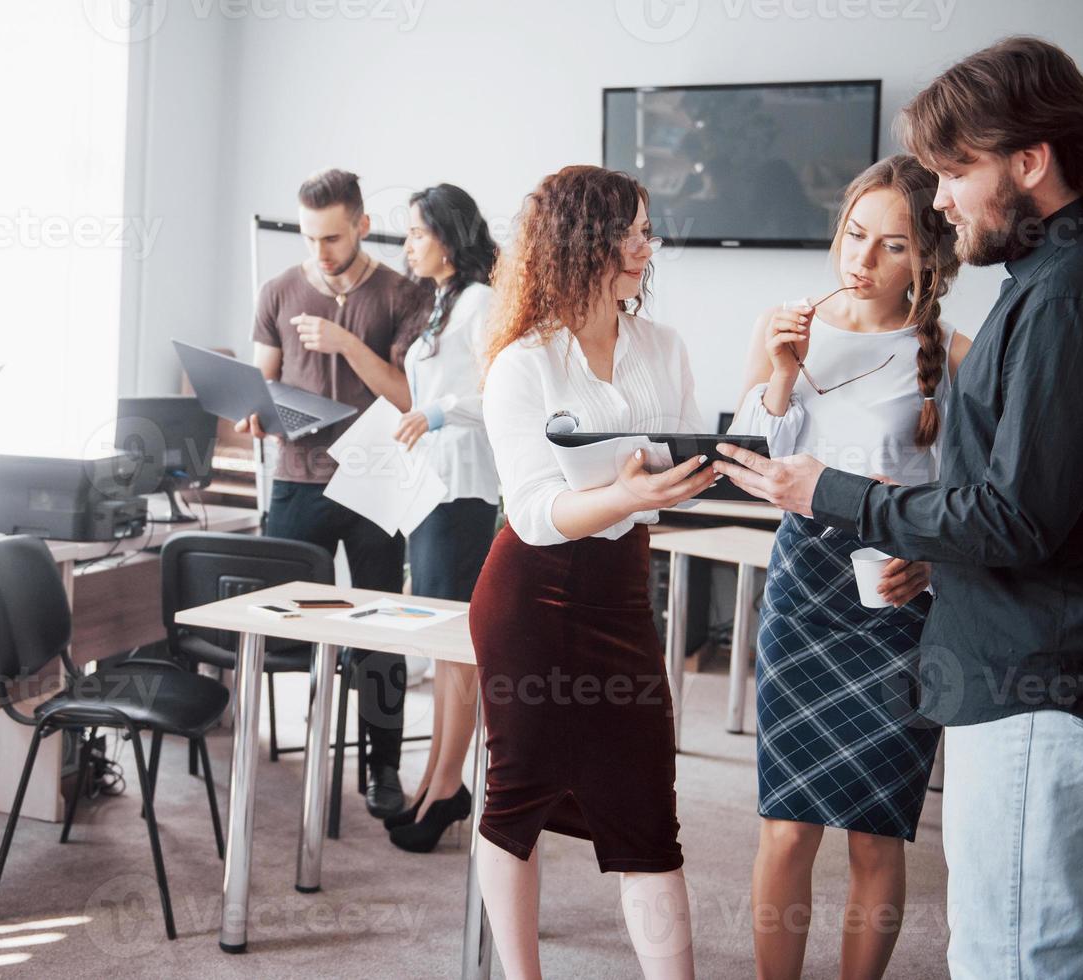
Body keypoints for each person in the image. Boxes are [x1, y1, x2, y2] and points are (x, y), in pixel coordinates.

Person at [715, 37, 1083, 979]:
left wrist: (833, 493)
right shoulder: (1055, 279)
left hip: (1036, 679)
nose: (939, 202)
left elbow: (1017, 518)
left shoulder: (1073, 299)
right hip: (1029, 661)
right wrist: (931, 550)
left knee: (1014, 954)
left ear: (1028, 161)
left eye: (953, 173)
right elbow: (1032, 502)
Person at [472, 165, 717, 980]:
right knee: (518, 796)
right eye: (633, 232)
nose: (648, 247)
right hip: (529, 599)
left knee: (647, 802)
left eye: (648, 230)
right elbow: (536, 513)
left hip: (618, 593)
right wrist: (624, 492)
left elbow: (666, 477)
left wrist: (685, 477)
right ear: (582, 243)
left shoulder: (664, 346)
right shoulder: (522, 364)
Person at [728, 154, 968, 980]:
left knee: (876, 830)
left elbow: (977, 508)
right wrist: (783, 371)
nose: (861, 262)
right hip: (803, 588)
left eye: (891, 247)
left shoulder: (957, 355)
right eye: (854, 236)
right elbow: (750, 465)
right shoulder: (785, 326)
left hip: (898, 599)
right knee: (787, 824)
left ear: (928, 260)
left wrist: (932, 567)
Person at [234, 168, 430, 818]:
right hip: (295, 481)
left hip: (375, 480)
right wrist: (252, 413)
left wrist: (346, 343)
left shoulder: (403, 293)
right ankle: (266, 747)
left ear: (362, 227)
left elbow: (407, 395)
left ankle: (381, 769)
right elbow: (262, 385)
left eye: (332, 238)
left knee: (379, 633)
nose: (318, 252)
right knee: (275, 625)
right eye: (309, 237)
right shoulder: (279, 290)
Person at [384, 183, 501, 852]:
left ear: (449, 237)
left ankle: (447, 786)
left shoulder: (481, 304)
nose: (406, 246)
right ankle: (432, 781)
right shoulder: (442, 304)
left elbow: (502, 393)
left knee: (455, 648)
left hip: (461, 490)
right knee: (435, 642)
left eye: (416, 234)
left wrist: (439, 411)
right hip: (430, 487)